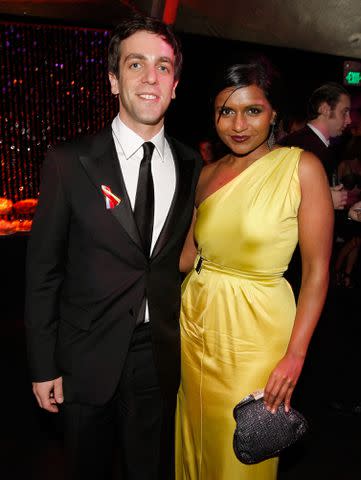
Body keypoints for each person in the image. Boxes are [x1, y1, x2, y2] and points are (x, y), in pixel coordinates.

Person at [25, 15, 201, 480]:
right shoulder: (69, 162)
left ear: (175, 85)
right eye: (136, 64)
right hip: (84, 358)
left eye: (163, 67)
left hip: (158, 355)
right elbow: (43, 272)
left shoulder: (192, 164)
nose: (150, 78)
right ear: (112, 80)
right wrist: (43, 365)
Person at [175, 62, 334, 479]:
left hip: (257, 332)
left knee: (241, 451)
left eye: (253, 111)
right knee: (198, 435)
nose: (238, 125)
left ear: (274, 113)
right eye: (226, 112)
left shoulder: (301, 168)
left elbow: (317, 271)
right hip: (196, 326)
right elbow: (186, 257)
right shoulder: (208, 174)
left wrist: (296, 355)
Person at [281, 82, 351, 210]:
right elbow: (279, 199)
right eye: (344, 112)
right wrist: (325, 200)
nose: (349, 120)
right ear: (324, 109)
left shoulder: (321, 145)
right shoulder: (296, 147)